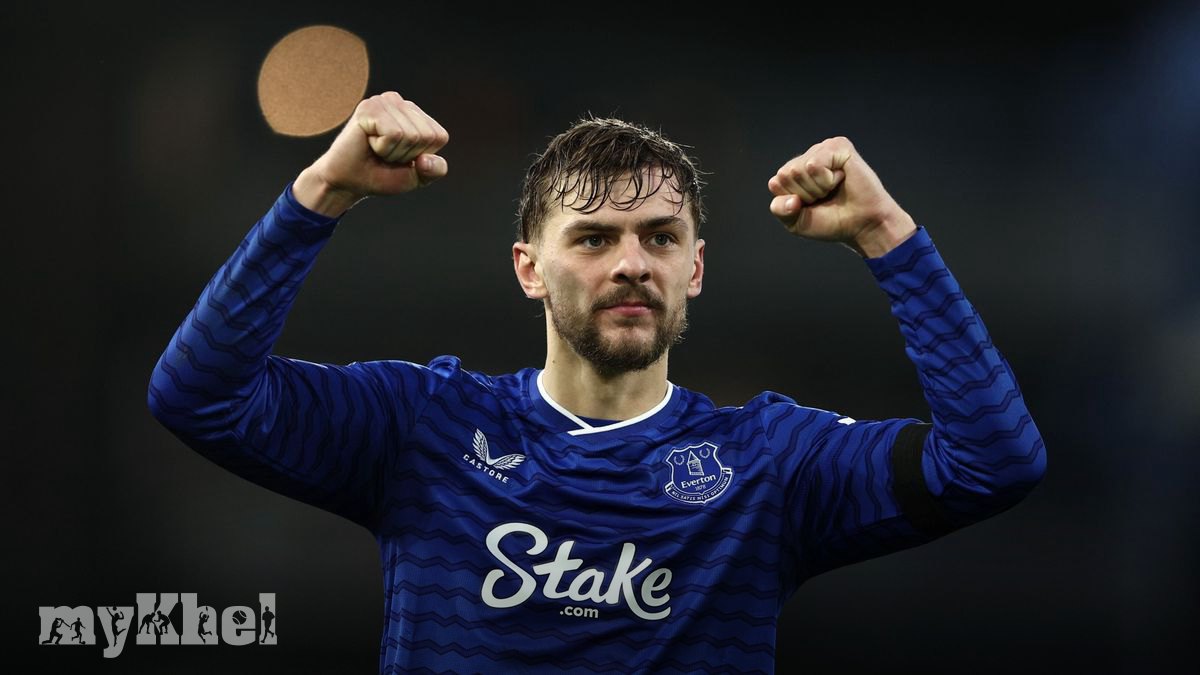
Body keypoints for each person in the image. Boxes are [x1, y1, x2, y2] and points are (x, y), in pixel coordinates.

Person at [147, 91, 1047, 673]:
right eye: (592, 238)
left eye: (660, 237)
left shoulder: (769, 463)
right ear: (528, 269)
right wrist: (320, 191)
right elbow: (198, 394)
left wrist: (888, 237)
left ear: (695, 269)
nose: (631, 263)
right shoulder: (422, 426)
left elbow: (994, 461)